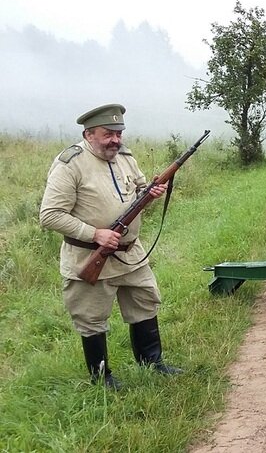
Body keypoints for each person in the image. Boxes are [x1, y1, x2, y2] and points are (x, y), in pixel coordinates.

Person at [39, 104, 183, 390]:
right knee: (91, 318)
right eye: (108, 134)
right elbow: (50, 215)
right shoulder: (71, 164)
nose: (116, 140)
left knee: (145, 303)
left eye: (119, 133)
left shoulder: (125, 156)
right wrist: (95, 234)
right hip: (90, 255)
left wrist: (151, 192)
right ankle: (101, 377)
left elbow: (139, 187)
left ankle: (151, 363)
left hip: (131, 254)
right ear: (89, 134)